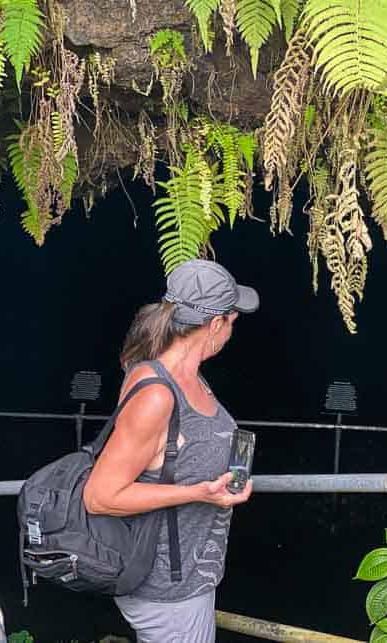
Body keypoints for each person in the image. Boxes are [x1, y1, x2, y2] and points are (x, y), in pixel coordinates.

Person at [83, 259, 258, 643]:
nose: (232, 330)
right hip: (167, 588)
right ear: (215, 325)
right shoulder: (158, 393)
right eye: (232, 321)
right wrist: (200, 493)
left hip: (188, 576)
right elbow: (101, 496)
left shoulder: (186, 373)